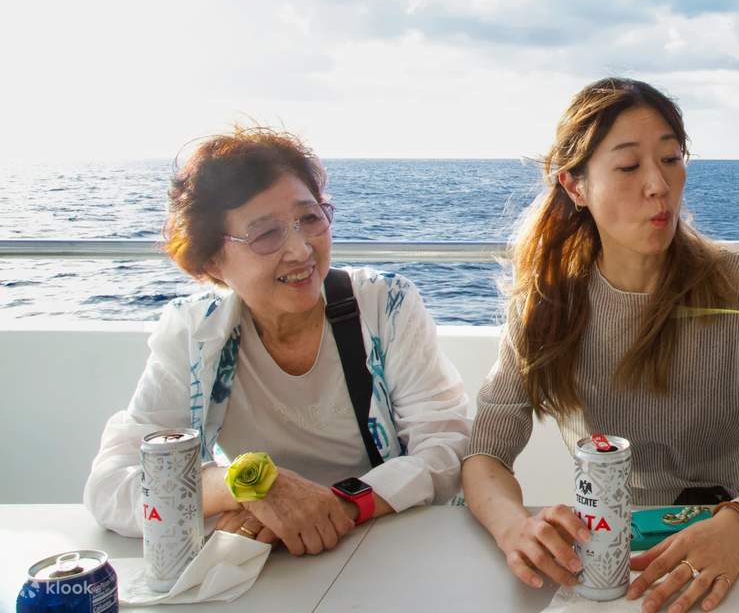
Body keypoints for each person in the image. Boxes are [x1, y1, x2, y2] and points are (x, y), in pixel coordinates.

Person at [463, 78, 739, 613]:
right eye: (629, 167)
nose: (659, 185)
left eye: (672, 159)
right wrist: (515, 528)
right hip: (607, 556)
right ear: (575, 185)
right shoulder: (547, 299)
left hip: (733, 542)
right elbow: (486, 451)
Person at [84, 127, 471, 555]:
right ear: (212, 257)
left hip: (385, 544)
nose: (301, 250)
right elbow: (111, 487)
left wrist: (335, 506)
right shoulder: (193, 334)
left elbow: (447, 448)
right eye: (266, 234)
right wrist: (248, 484)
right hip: (267, 557)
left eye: (310, 218)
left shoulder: (385, 305)